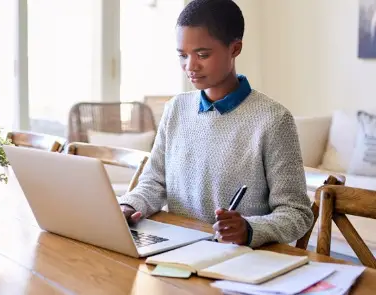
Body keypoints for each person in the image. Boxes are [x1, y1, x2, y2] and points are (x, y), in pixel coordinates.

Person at [118, 0, 313, 248]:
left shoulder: (274, 120)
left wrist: (250, 229)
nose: (190, 66)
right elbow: (154, 183)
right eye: (182, 55)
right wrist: (129, 205)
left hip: (237, 259)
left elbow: (297, 213)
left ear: (235, 49)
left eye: (202, 54)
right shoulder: (175, 109)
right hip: (174, 250)